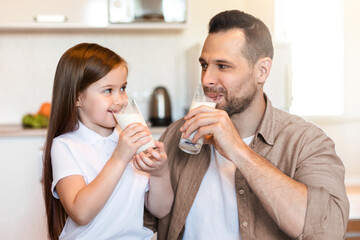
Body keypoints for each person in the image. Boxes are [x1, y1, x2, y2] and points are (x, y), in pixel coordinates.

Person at [144, 10, 349, 240]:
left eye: (223, 66)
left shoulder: (306, 142)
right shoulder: (176, 134)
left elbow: (328, 231)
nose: (206, 79)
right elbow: (142, 220)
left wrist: (238, 149)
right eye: (204, 65)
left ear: (262, 71)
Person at [43, 43, 174, 240]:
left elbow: (161, 210)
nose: (120, 100)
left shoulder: (131, 141)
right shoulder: (66, 146)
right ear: (78, 97)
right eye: (108, 90)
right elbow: (81, 213)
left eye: (122, 88)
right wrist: (120, 158)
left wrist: (160, 172)